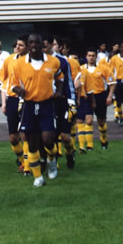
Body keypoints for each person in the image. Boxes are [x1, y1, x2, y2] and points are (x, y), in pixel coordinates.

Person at [10, 34, 63, 187]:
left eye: (37, 42)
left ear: (42, 44)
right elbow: (13, 84)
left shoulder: (53, 61)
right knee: (32, 143)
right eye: (31, 42)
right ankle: (38, 177)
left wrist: (58, 91)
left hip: (47, 105)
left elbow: (60, 78)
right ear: (27, 45)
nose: (34, 45)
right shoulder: (19, 63)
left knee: (48, 139)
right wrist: (19, 90)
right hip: (29, 106)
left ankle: (52, 159)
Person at [0, 34, 29, 174]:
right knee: (13, 137)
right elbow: (0, 77)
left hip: (28, 100)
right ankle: (23, 160)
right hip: (13, 100)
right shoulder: (9, 59)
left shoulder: (33, 61)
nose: (17, 47)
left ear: (28, 47)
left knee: (26, 134)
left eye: (21, 45)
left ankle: (28, 166)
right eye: (17, 44)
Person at [77, 48, 116, 152]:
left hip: (100, 96)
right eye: (89, 55)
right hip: (87, 97)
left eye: (93, 55)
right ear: (86, 57)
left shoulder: (103, 68)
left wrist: (109, 96)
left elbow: (112, 83)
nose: (91, 57)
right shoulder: (81, 69)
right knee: (88, 121)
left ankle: (104, 140)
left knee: (101, 122)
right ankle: (89, 146)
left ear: (96, 57)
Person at [46, 36, 77, 169]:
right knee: (49, 135)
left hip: (62, 101)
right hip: (46, 103)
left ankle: (70, 153)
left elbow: (69, 82)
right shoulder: (37, 61)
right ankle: (53, 162)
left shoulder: (62, 61)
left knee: (65, 136)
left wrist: (72, 102)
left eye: (53, 44)